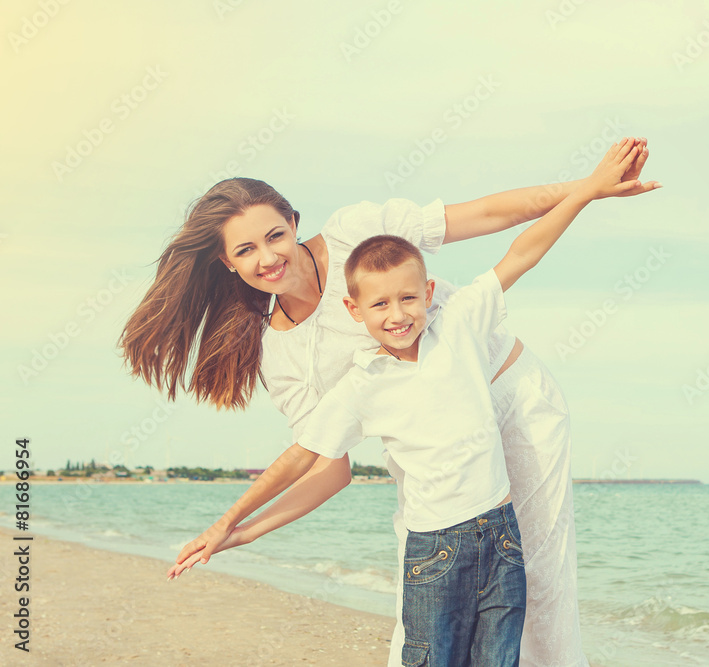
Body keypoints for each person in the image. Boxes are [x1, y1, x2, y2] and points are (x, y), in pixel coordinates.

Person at [123, 137, 657, 666]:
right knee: (420, 622)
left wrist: (588, 188)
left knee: (539, 589)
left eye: (275, 235)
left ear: (293, 221)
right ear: (226, 262)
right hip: (426, 455)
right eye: (245, 250)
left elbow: (489, 216)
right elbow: (325, 468)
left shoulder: (357, 232)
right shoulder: (283, 356)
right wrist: (236, 532)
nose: (268, 257)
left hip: (513, 402)